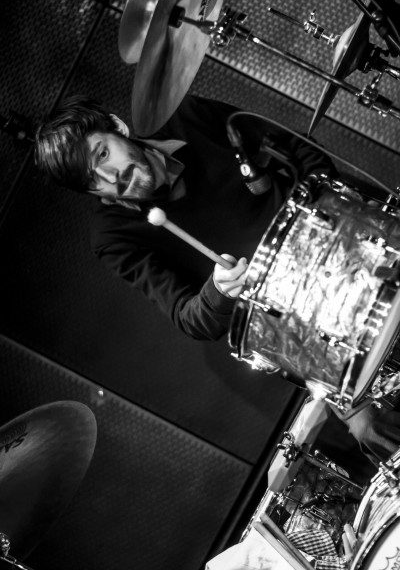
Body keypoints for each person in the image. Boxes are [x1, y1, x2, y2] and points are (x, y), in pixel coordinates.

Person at [34, 93, 400, 464]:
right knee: (370, 427)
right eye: (92, 181)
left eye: (102, 154)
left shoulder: (187, 116)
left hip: (347, 247)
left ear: (116, 127)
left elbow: (299, 148)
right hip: (302, 328)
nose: (111, 177)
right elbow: (189, 317)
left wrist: (330, 214)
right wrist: (218, 290)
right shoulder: (113, 236)